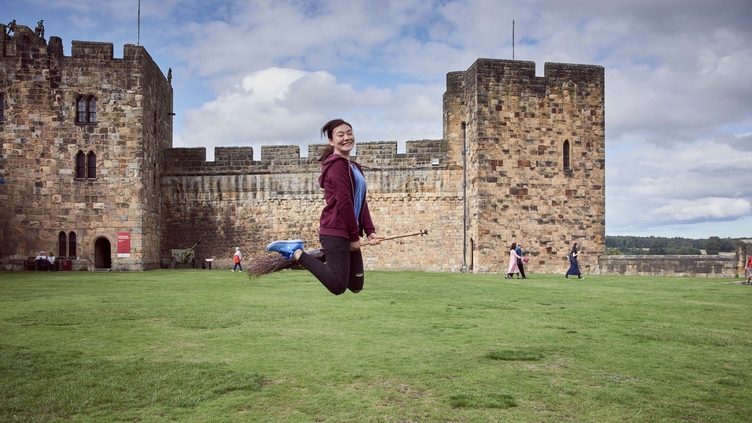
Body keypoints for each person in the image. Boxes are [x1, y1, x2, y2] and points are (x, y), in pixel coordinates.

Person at [266, 119, 384, 295]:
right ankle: (296, 252)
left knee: (356, 284)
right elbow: (345, 203)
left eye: (349, 132)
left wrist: (370, 231)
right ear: (331, 141)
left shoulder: (354, 167)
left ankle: (324, 256)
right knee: (337, 286)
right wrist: (354, 237)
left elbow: (361, 201)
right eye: (340, 134)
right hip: (336, 231)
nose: (346, 137)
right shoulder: (337, 165)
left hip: (348, 232)